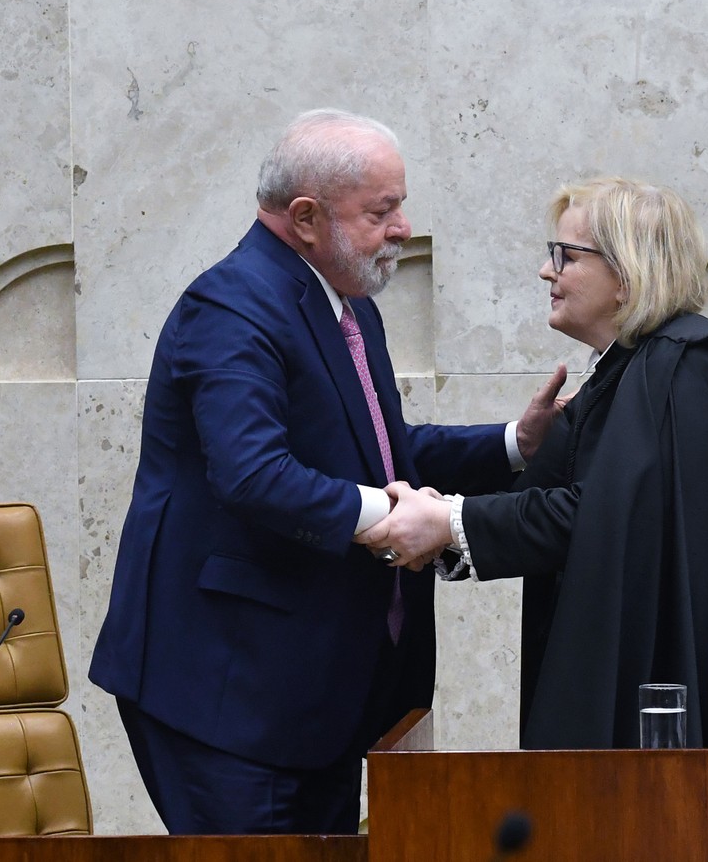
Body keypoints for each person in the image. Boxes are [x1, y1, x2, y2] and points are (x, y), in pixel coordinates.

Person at [88, 109, 565, 833]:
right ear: (305, 217)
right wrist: (394, 521)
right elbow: (252, 473)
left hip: (319, 696)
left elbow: (378, 450)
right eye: (383, 210)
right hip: (228, 694)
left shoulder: (344, 301)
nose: (403, 227)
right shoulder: (230, 306)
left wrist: (513, 444)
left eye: (399, 204)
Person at [359, 177, 708, 750]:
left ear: (627, 274)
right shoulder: (632, 370)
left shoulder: (687, 373)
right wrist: (447, 523)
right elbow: (561, 508)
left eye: (565, 255)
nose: (547, 272)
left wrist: (448, 523)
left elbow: (601, 515)